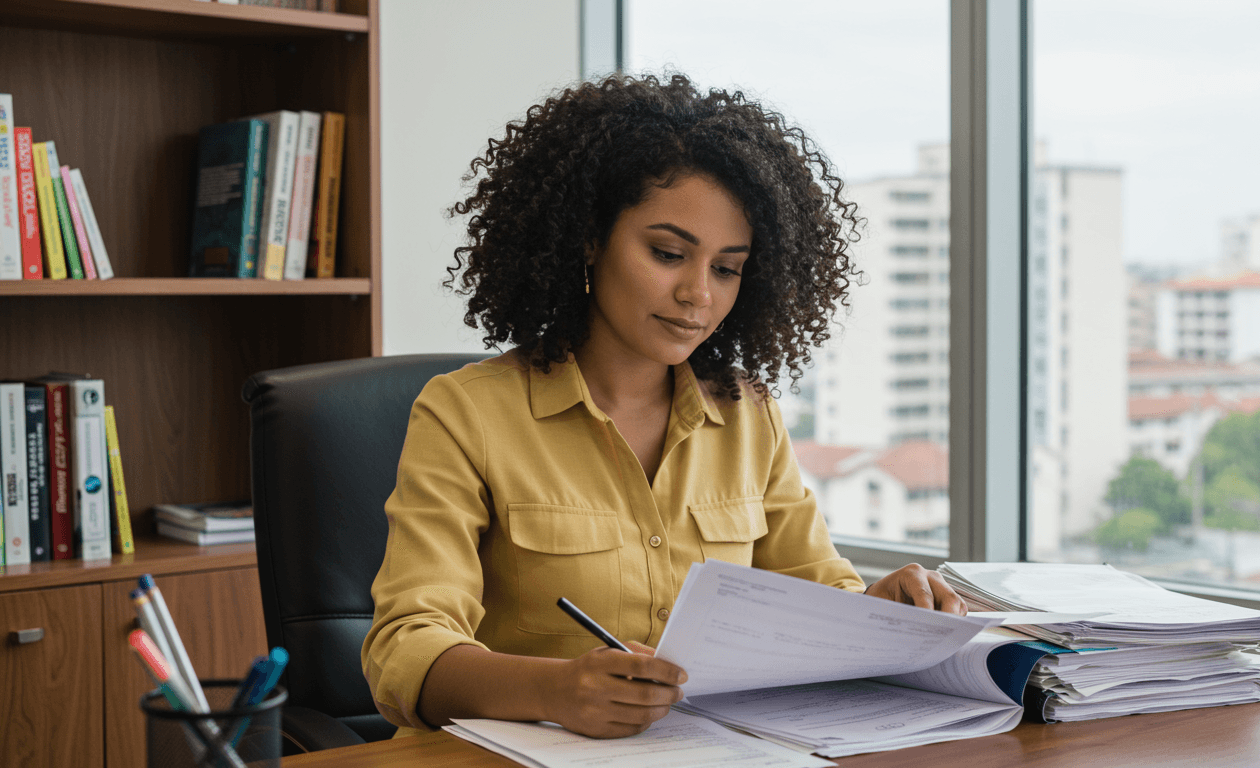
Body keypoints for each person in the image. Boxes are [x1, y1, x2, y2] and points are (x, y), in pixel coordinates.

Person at [361, 73, 967, 741]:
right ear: (589, 239)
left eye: (726, 268)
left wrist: (880, 612)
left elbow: (812, 590)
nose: (697, 294)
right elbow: (405, 648)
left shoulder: (747, 417)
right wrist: (554, 690)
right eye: (668, 253)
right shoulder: (466, 413)